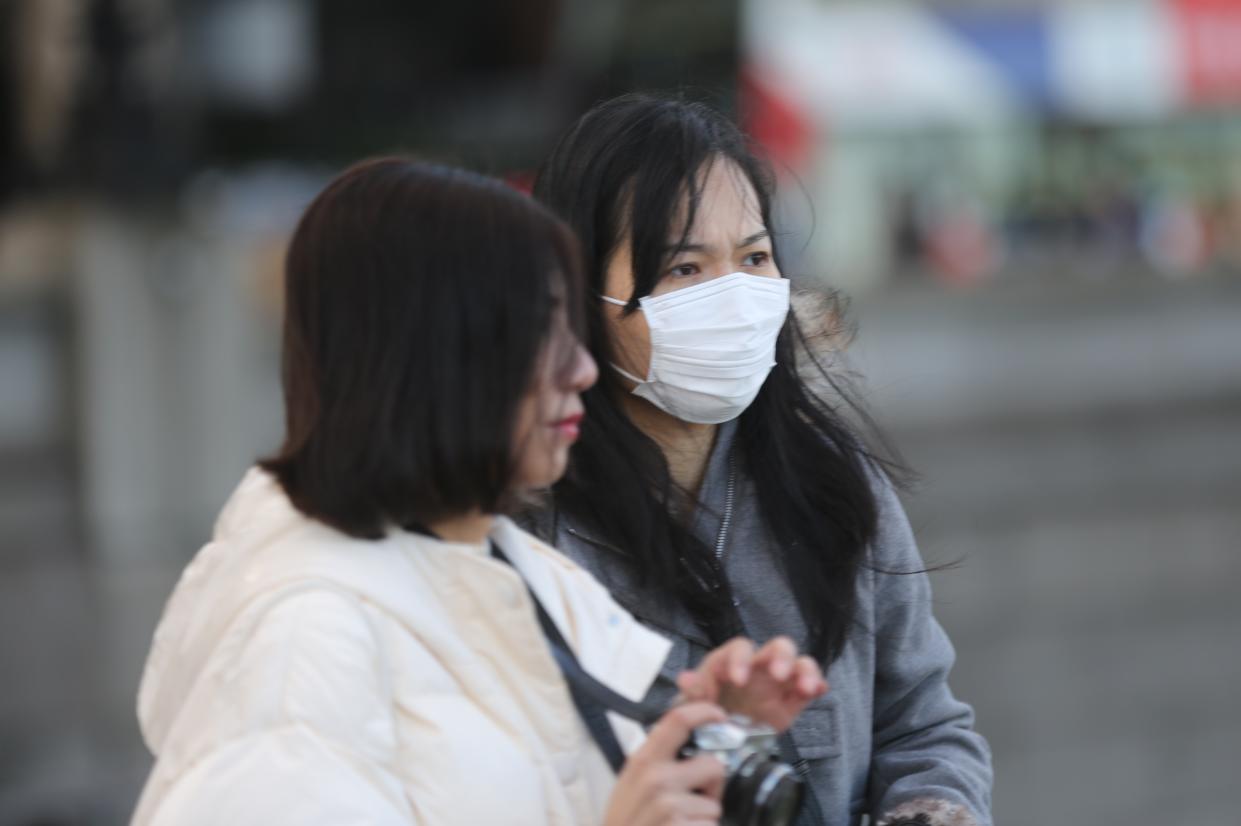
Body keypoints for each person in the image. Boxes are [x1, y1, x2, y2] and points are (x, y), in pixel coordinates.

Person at [130, 158, 829, 825]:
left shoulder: (507, 567)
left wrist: (700, 738)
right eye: (538, 334)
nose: (583, 368)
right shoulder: (304, 647)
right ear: (428, 359)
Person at [526, 94, 994, 826]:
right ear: (582, 288)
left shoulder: (832, 485)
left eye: (752, 258)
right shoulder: (530, 532)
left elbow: (922, 725)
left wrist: (929, 811)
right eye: (683, 268)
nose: (733, 298)